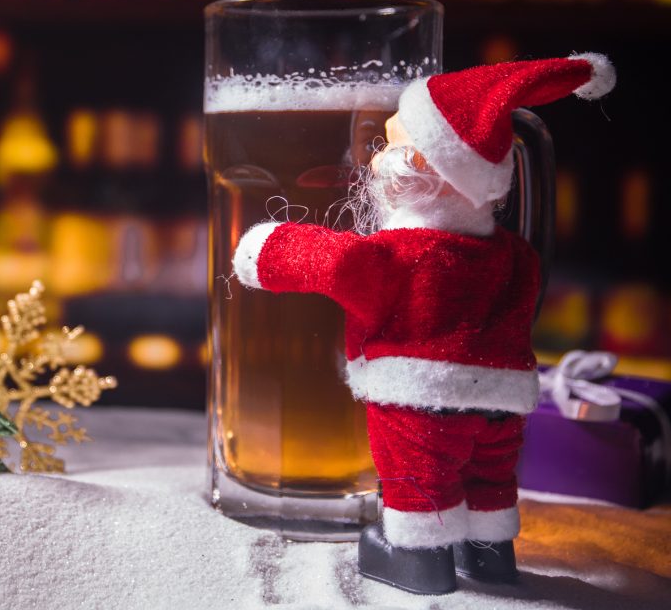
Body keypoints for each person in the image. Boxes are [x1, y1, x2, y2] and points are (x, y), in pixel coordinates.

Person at [232, 53, 615, 595]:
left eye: (391, 142)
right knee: (489, 479)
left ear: (431, 163)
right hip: (503, 402)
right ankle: (490, 555)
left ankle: (418, 557)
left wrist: (263, 250)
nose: (378, 158)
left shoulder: (400, 251)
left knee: (419, 483)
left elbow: (339, 262)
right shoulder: (516, 255)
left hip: (418, 399)